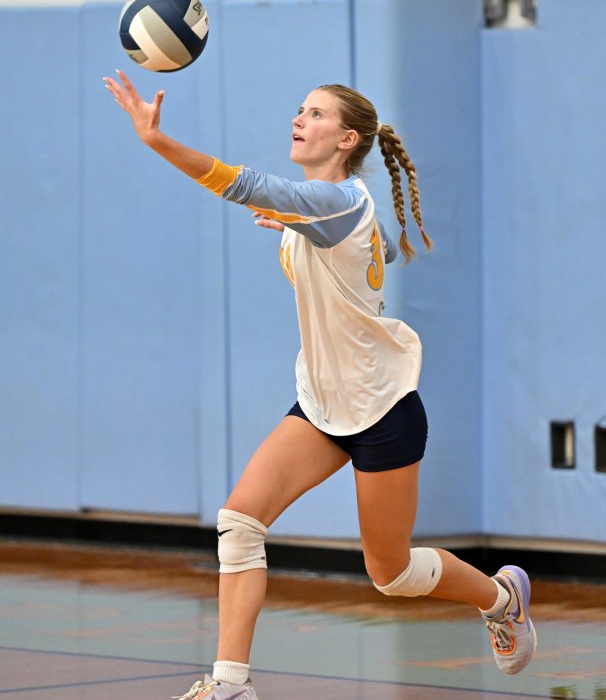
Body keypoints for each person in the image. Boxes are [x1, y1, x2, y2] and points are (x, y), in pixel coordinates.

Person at [103, 70, 537, 699]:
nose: (298, 119)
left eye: (315, 113)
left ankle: (501, 598)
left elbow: (243, 184)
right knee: (240, 521)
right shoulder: (328, 211)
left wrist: (157, 141)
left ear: (346, 139)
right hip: (321, 402)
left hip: (382, 407)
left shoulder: (336, 203)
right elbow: (382, 249)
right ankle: (231, 685)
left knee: (389, 573)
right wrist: (306, 231)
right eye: (298, 109)